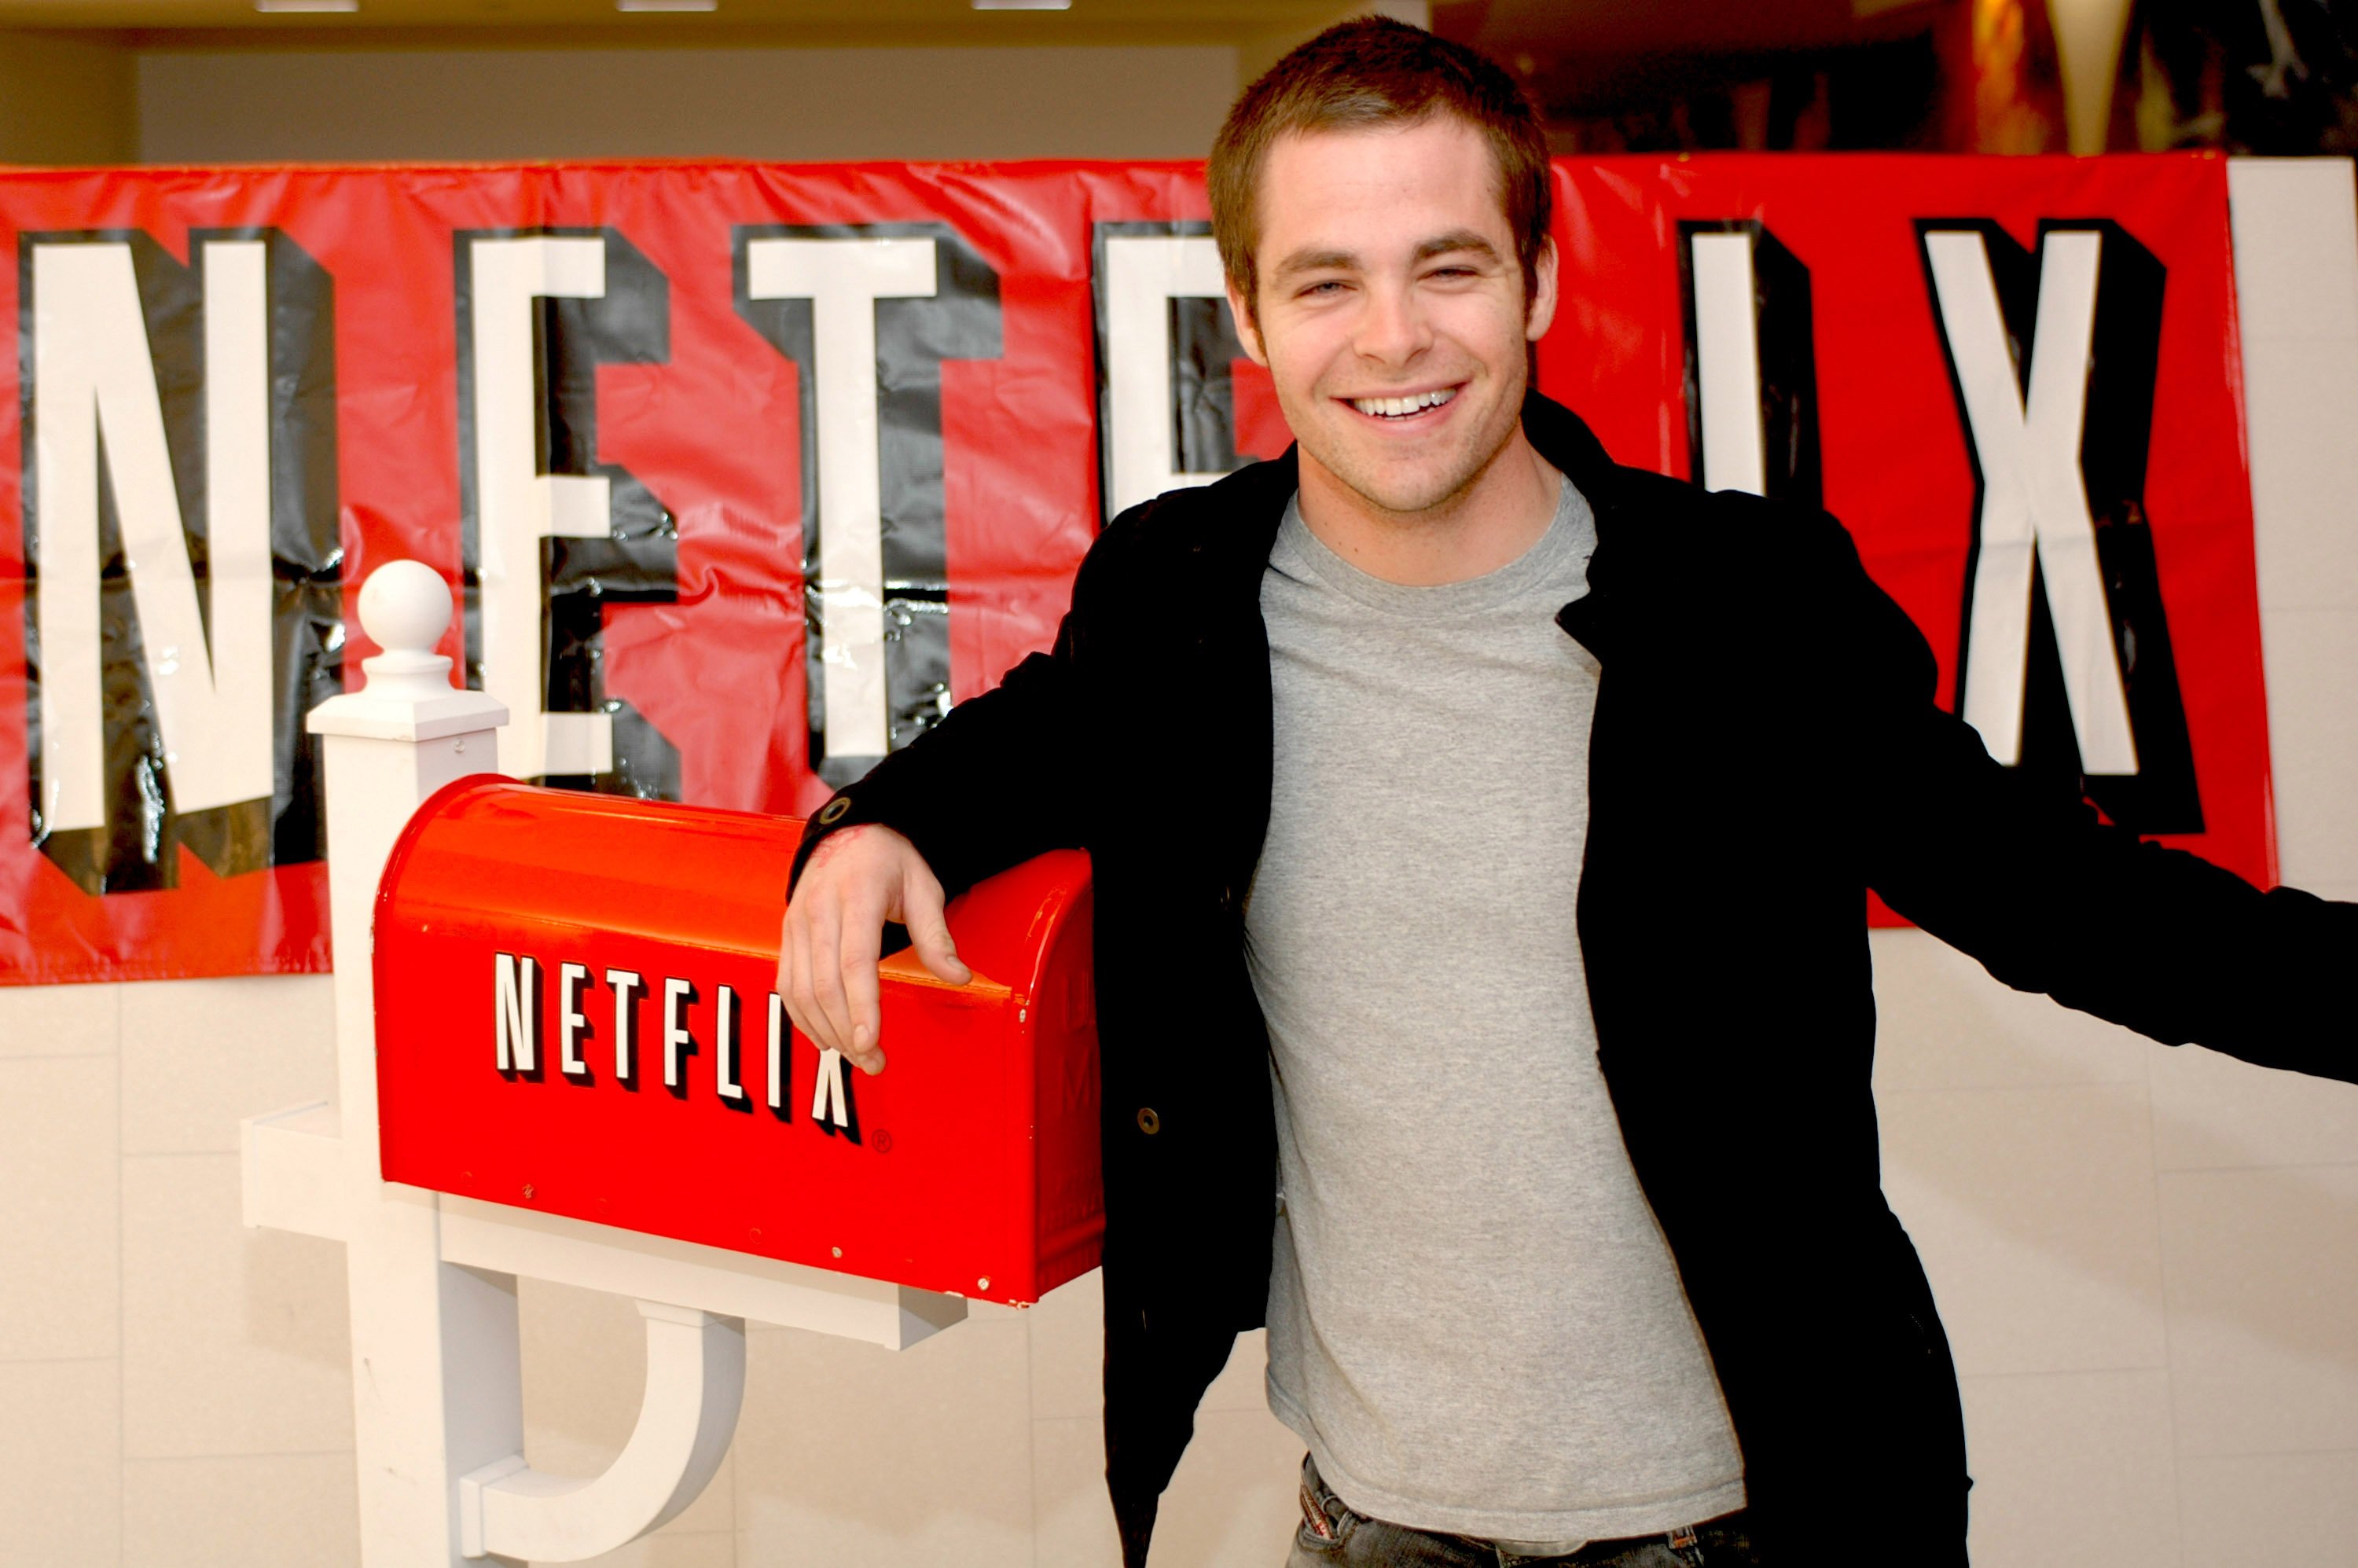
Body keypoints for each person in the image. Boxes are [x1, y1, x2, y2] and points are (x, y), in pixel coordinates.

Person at [777, 17, 2353, 1567]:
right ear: (1249, 315)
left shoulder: (1744, 607)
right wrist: (876, 826)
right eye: (1328, 280)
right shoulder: (1176, 594)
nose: (1392, 336)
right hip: (1368, 1520)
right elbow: (1037, 734)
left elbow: (2077, 905)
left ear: (1536, 280)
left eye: (1448, 265)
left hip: (1754, 1521)